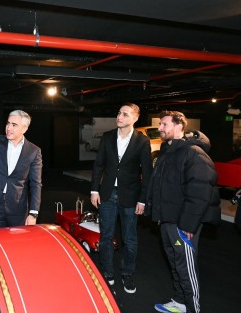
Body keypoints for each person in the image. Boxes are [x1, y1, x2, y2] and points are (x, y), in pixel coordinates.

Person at [146, 111, 220, 313]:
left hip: (182, 223)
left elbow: (200, 191)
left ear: (179, 126)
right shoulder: (167, 152)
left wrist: (188, 225)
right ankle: (179, 303)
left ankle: (193, 308)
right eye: (160, 124)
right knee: (175, 263)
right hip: (167, 219)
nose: (160, 128)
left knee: (186, 268)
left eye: (164, 124)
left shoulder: (193, 153)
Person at [90, 102, 152, 294]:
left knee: (130, 239)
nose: (119, 117)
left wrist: (143, 200)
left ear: (134, 118)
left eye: (125, 114)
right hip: (107, 194)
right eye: (118, 113)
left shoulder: (142, 141)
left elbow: (147, 174)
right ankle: (107, 271)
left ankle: (127, 274)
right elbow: (98, 165)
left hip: (131, 197)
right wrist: (94, 190)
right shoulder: (108, 137)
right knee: (106, 236)